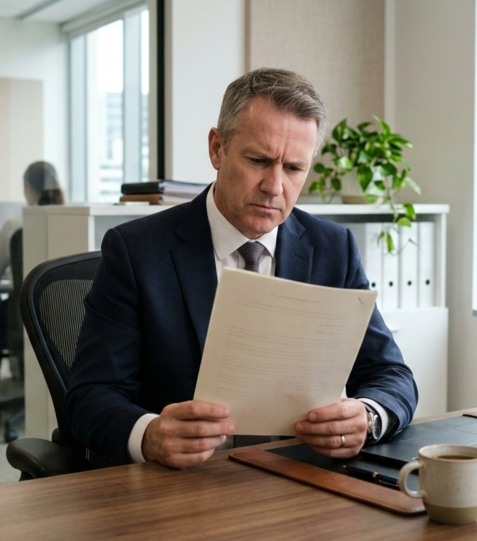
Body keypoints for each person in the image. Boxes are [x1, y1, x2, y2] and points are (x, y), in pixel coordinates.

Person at [66, 68, 418, 470]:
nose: (274, 186)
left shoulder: (332, 248)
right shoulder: (136, 251)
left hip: (300, 474)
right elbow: (89, 397)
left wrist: (368, 417)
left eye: (293, 168)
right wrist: (149, 435)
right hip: (183, 481)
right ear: (218, 149)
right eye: (258, 160)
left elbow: (391, 374)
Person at [0, 161, 65, 409]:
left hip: (25, 316)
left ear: (27, 187)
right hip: (63, 315)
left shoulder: (15, 225)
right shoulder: (68, 220)